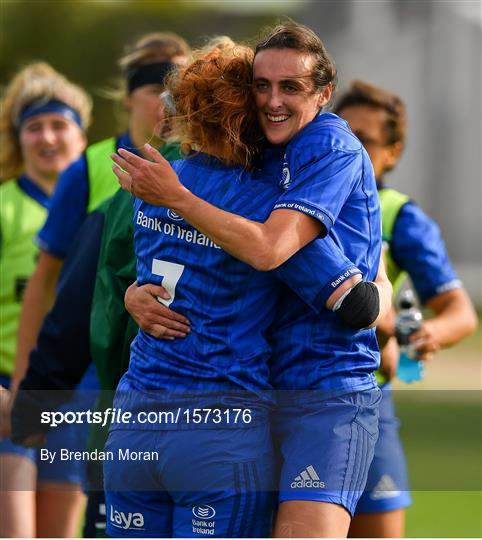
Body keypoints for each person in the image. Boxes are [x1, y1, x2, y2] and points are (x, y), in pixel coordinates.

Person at [114, 23, 391, 537]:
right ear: (243, 105)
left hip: (316, 391)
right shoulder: (252, 188)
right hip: (237, 407)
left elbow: (272, 252)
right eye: (261, 87)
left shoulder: (161, 181)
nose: (272, 101)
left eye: (290, 87)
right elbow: (354, 300)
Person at [333, 80, 478, 538]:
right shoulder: (292, 199)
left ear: (392, 153)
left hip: (366, 399)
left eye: (367, 141)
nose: (352, 148)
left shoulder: (398, 215)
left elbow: (460, 313)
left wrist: (417, 335)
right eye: (343, 133)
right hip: (290, 395)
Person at [12, 32, 191, 397]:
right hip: (94, 360)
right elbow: (45, 281)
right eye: (155, 90)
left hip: (174, 355)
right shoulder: (87, 169)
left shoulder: (200, 165)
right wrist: (24, 387)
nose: (167, 102)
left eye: (179, 91)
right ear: (127, 98)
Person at [0, 62, 92, 537]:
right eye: (34, 127)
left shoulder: (105, 206)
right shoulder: (5, 206)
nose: (48, 137)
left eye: (60, 124)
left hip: (74, 396)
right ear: (20, 140)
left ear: (81, 136)